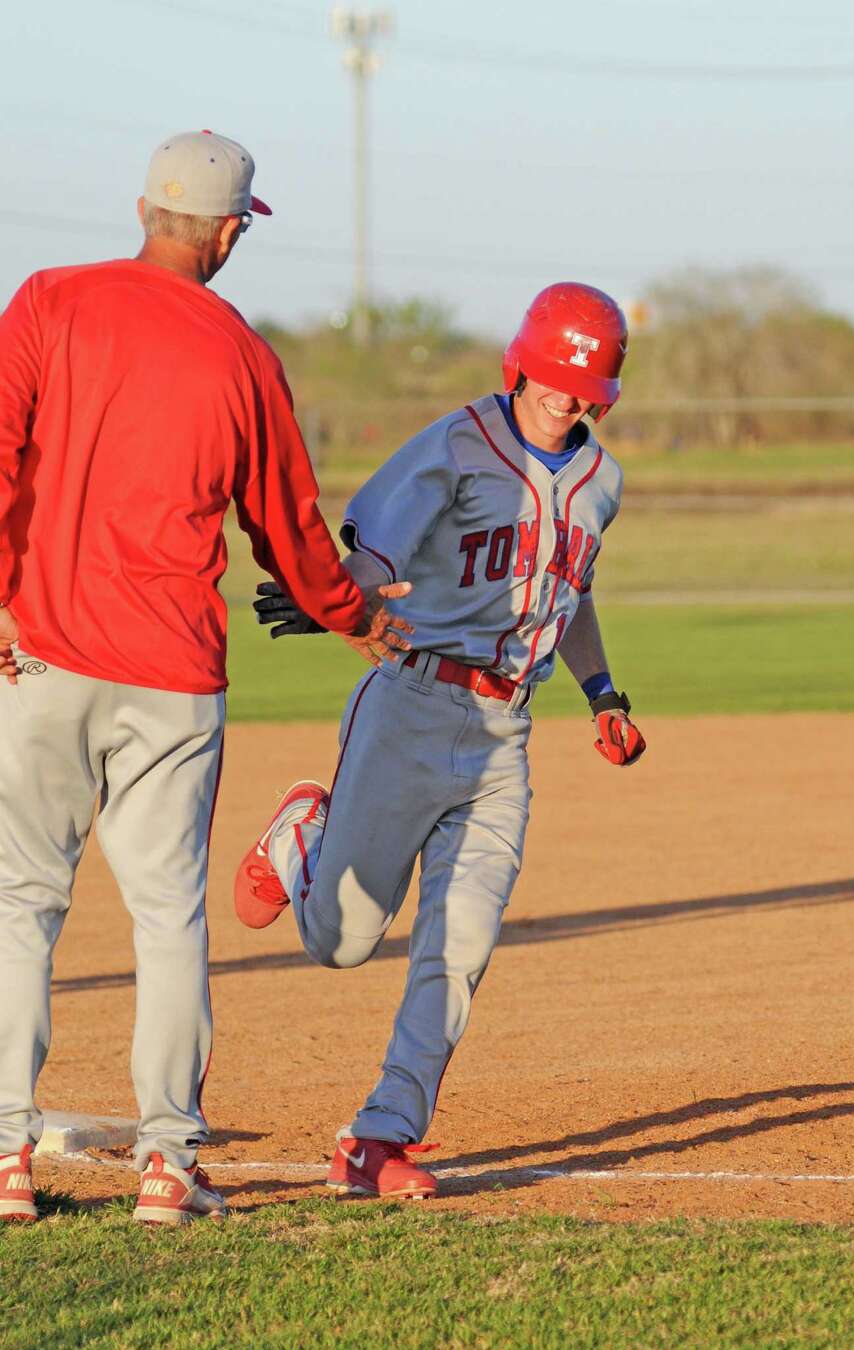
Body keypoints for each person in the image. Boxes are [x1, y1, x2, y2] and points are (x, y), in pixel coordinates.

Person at [0, 130, 408, 1226]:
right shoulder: (241, 355)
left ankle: (4, 1160)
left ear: (146, 210)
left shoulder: (46, 301)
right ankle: (168, 1165)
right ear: (228, 234)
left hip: (40, 655)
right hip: (170, 674)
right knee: (168, 916)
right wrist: (354, 613)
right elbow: (289, 525)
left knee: (21, 904)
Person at [236, 282, 647, 1201]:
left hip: (506, 734)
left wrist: (602, 693)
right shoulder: (458, 443)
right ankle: (301, 835)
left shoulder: (601, 483)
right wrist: (334, 601)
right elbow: (376, 550)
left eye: (586, 389)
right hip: (412, 705)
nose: (568, 398)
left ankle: (379, 1138)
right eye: (555, 378)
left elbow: (570, 594)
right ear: (520, 365)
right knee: (341, 943)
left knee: (461, 944)